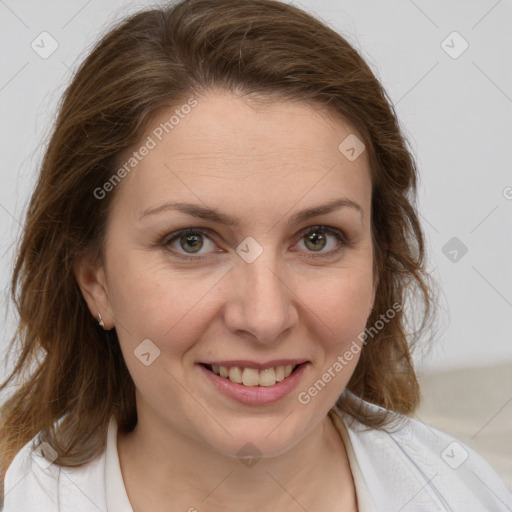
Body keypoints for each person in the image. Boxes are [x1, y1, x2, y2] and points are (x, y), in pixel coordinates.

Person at [0, 0, 510, 510]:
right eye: (192, 241)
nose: (265, 318)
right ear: (96, 281)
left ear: (379, 264)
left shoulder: (468, 494)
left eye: (318, 238)